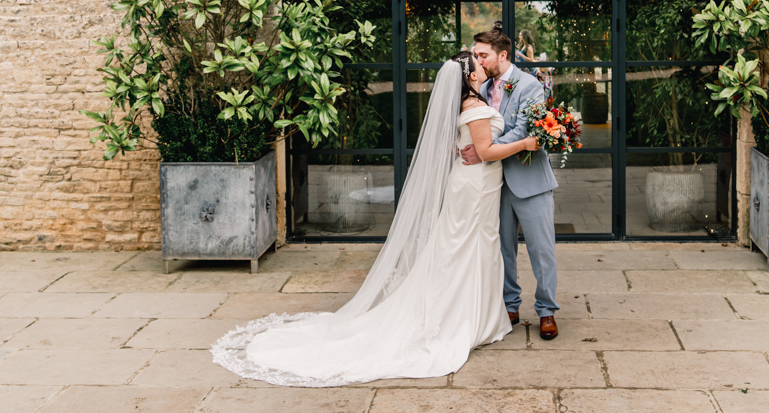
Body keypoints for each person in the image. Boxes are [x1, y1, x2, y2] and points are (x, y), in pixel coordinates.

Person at [211, 52, 539, 386]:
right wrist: (528, 142)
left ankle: (476, 315)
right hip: (475, 188)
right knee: (467, 247)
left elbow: (472, 144)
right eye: (478, 64)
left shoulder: (468, 104)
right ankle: (462, 320)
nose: (484, 66)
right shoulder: (474, 107)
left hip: (475, 186)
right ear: (470, 76)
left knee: (468, 246)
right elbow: (485, 152)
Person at [462, 28, 561, 340]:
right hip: (497, 184)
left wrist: (484, 152)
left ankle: (546, 311)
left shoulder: (531, 85)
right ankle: (510, 306)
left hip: (531, 181)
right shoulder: (482, 86)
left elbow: (523, 130)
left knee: (541, 251)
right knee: (503, 249)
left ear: (502, 55)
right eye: (476, 55)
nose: (477, 60)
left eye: (482, 55)